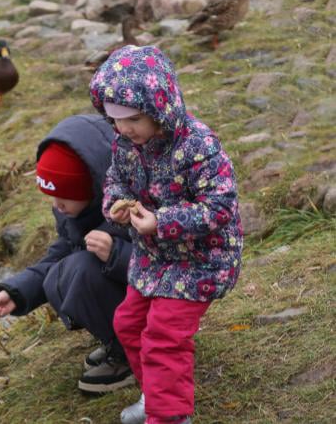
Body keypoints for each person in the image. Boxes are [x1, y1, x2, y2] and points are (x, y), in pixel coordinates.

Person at [90, 45, 243, 424]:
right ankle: (154, 395)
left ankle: (170, 416)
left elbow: (219, 207)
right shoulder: (126, 145)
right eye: (114, 121)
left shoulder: (197, 145)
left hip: (201, 260)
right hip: (153, 258)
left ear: (160, 107)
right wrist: (116, 205)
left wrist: (162, 222)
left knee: (163, 334)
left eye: (134, 119)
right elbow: (115, 180)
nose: (124, 129)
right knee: (130, 323)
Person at [0, 114, 134, 394]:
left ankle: (132, 354)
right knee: (62, 271)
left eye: (65, 196)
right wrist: (17, 292)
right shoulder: (76, 211)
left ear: (93, 187)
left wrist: (116, 254)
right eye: (52, 197)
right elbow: (57, 256)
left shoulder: (129, 206)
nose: (58, 206)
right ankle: (119, 341)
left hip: (160, 306)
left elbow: (168, 266)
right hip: (128, 299)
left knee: (80, 271)